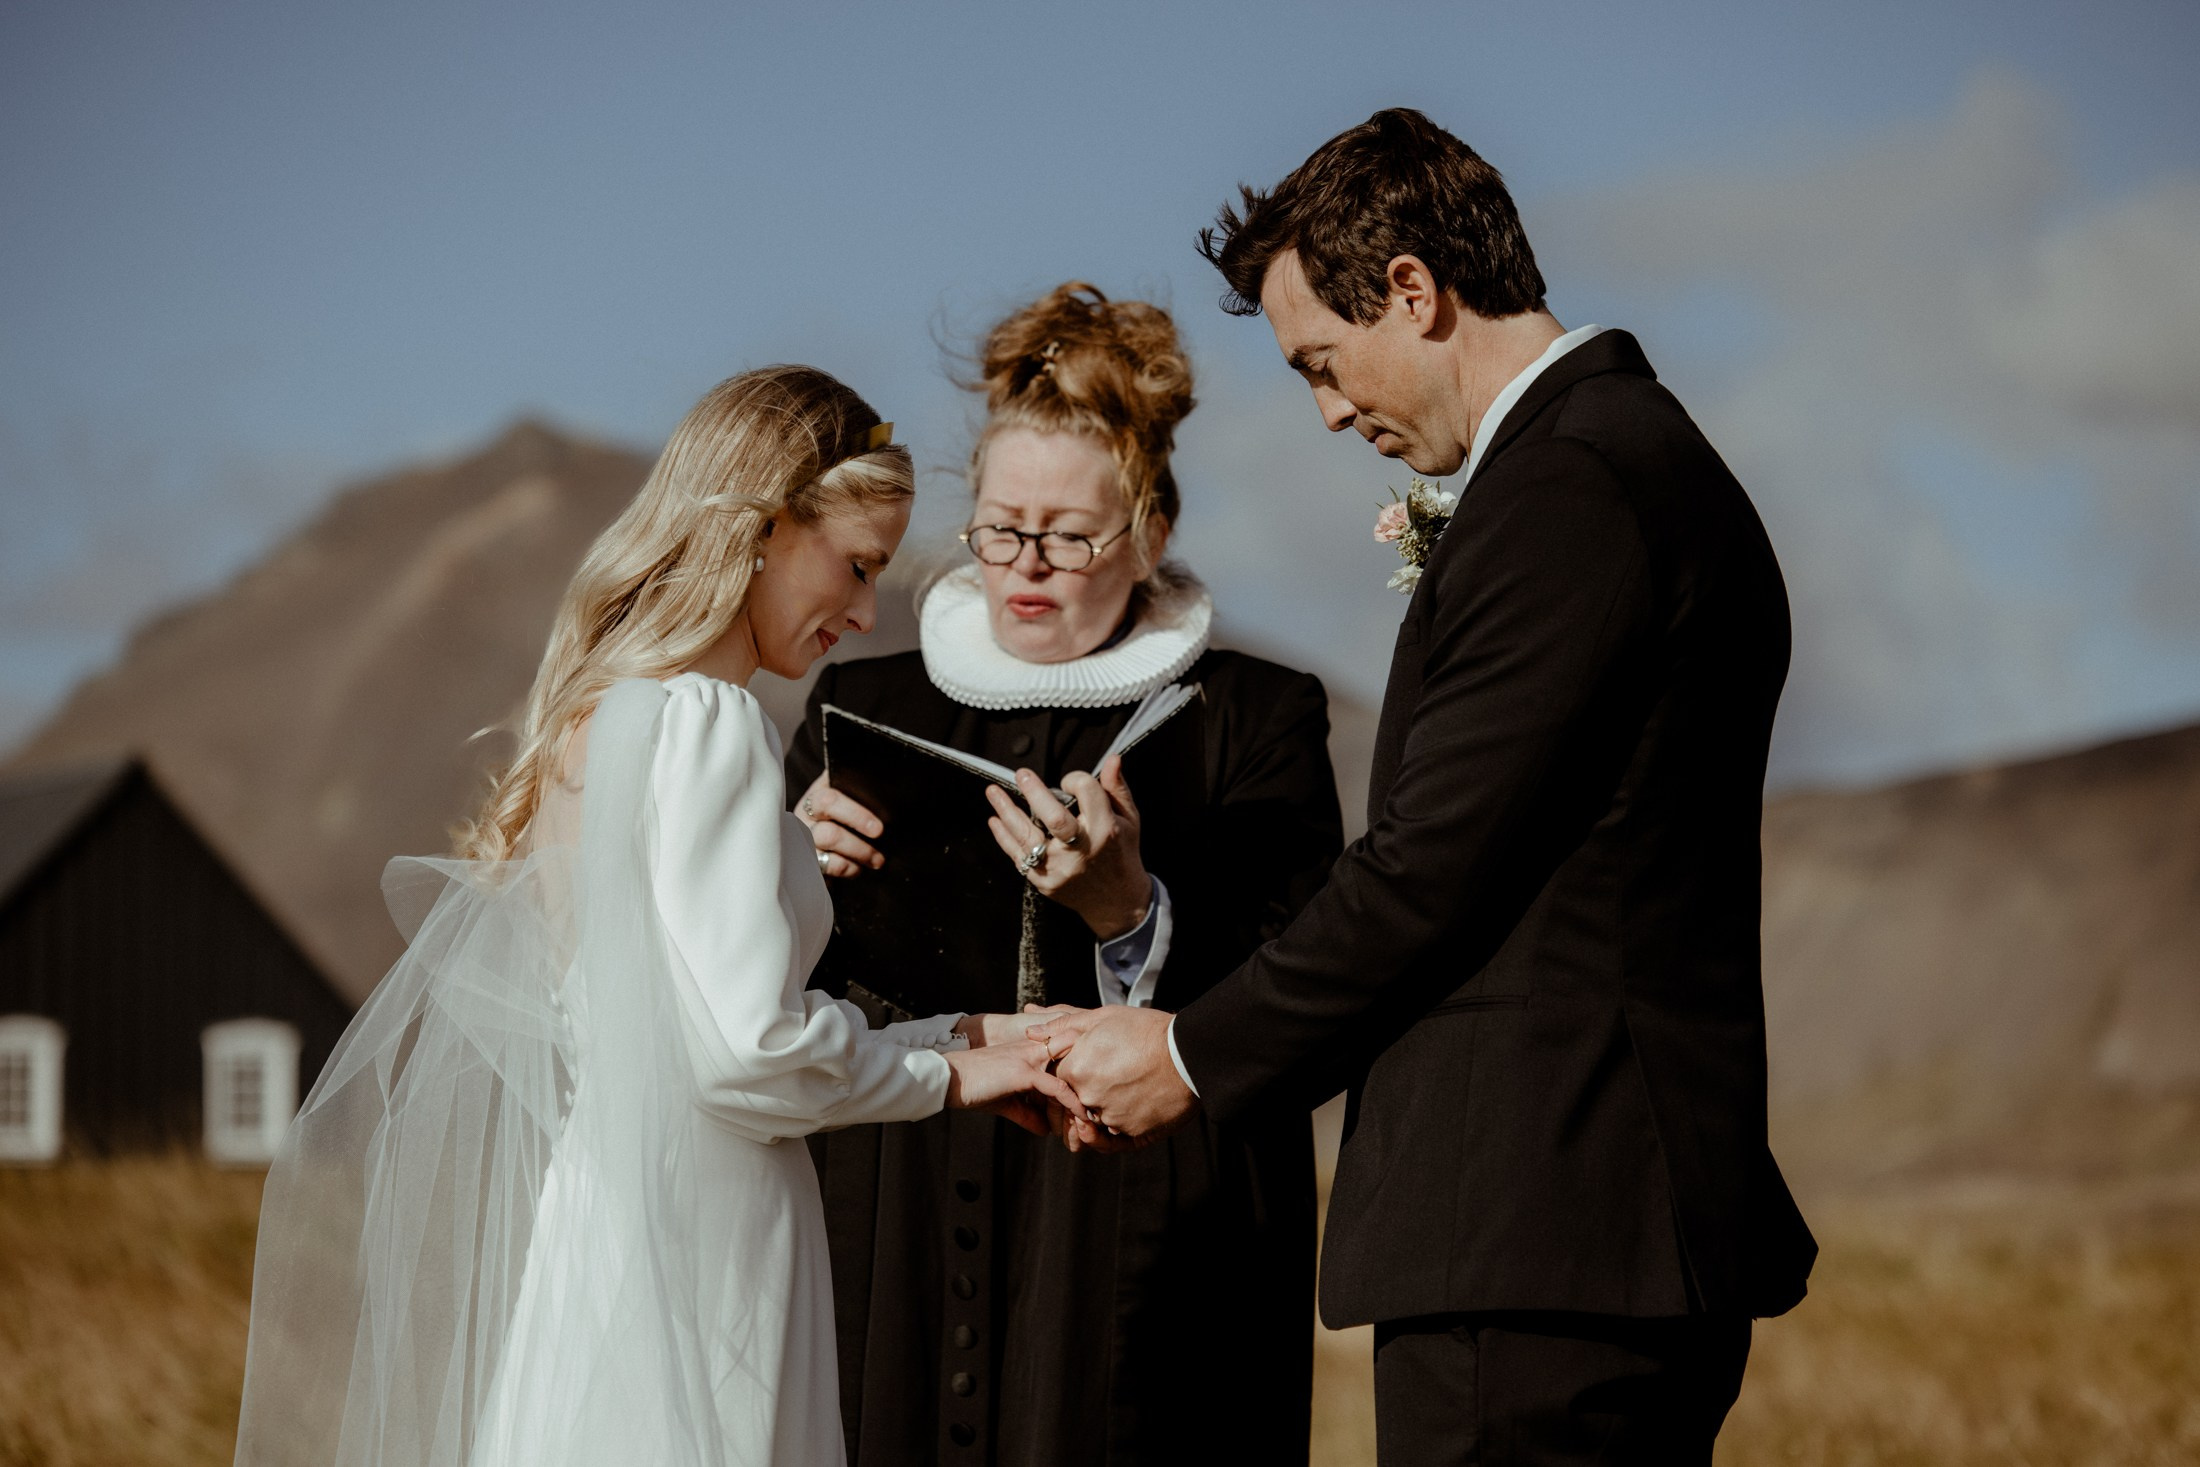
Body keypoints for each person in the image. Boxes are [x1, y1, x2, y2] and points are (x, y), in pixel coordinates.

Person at [1033, 111, 1820, 1464]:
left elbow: (1431, 867)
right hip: (1590, 1235)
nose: (1332, 413)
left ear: (1413, 288)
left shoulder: (1570, 488)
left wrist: (1186, 1053)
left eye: (1322, 364)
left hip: (1535, 1235)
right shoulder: (1626, 458)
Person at [232, 366, 1076, 1467]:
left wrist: (960, 1035)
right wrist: (951, 1077)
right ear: (765, 529)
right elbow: (748, 1057)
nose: (869, 612)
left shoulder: (600, 719)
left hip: (601, 1234)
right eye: (859, 566)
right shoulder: (717, 725)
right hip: (710, 1255)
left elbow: (670, 1036)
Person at [787, 283, 1343, 1466]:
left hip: (1141, 1239)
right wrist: (785, 867)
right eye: (1000, 529)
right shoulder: (858, 706)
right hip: (890, 1210)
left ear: (1149, 532)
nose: (1026, 565)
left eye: (1070, 536)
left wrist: (1127, 913)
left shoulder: (1255, 718)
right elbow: (764, 991)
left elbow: (1303, 994)